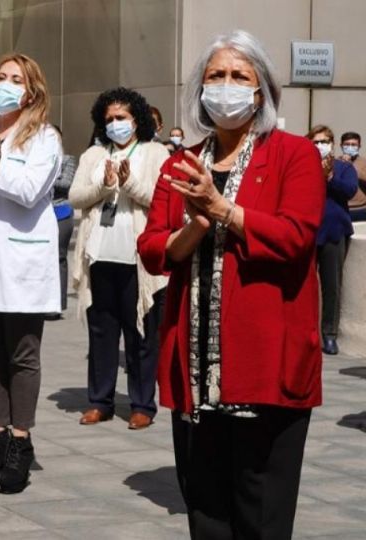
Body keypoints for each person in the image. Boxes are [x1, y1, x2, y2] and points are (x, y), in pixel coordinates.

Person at [138, 30, 324, 539]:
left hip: (266, 367)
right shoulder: (181, 163)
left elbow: (296, 238)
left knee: (260, 514)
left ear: (260, 90)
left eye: (239, 76)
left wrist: (220, 209)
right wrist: (196, 225)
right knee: (207, 514)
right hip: (195, 373)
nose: (225, 86)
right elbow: (154, 249)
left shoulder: (294, 155)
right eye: (215, 76)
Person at [0, 53, 62, 495]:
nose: (5, 86)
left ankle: (20, 442)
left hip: (25, 258)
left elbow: (29, 192)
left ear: (31, 91)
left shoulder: (45, 137)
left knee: (22, 354)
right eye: (0, 77)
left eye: (16, 80)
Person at [68, 87, 169, 430]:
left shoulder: (157, 153)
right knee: (101, 332)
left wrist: (129, 185)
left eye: (121, 118)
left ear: (137, 120)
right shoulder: (93, 156)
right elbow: (76, 196)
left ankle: (142, 403)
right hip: (100, 254)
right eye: (109, 119)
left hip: (138, 258)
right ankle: (100, 401)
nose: (115, 124)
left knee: (141, 333)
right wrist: (104, 185)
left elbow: (163, 200)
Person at [307, 125, 357, 355]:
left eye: (325, 141)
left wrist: (329, 177)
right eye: (316, 141)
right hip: (307, 232)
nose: (320, 145)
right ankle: (307, 332)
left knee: (331, 286)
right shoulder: (303, 166)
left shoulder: (343, 167)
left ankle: (329, 334)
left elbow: (349, 190)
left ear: (333, 143)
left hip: (334, 232)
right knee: (304, 286)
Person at [51, 126, 76, 317]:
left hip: (61, 212)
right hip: (41, 213)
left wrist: (45, 174)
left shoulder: (68, 160)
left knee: (59, 257)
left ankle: (58, 304)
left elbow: (65, 184)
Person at [338, 132, 366, 221]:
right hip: (343, 208)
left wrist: (351, 167)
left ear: (359, 146)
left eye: (353, 145)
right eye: (347, 144)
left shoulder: (364, 162)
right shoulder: (336, 162)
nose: (350, 147)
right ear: (341, 145)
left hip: (361, 209)